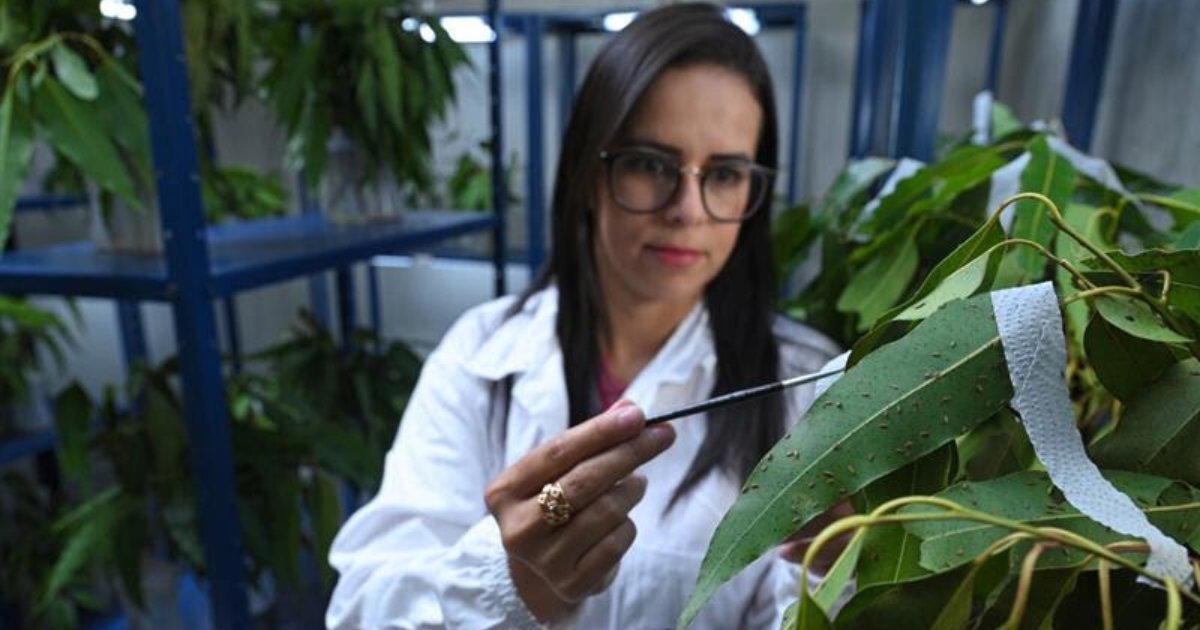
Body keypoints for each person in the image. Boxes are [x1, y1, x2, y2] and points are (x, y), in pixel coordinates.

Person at [326, 4, 839, 628]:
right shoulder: (482, 355)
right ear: (588, 174)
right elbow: (360, 609)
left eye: (725, 174)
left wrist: (836, 579)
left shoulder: (809, 389)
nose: (687, 209)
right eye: (652, 164)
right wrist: (503, 583)